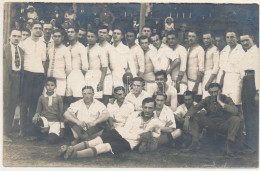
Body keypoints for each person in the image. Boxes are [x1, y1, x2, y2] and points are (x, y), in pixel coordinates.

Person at [57, 97, 161, 160]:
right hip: (119, 132)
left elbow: (157, 134)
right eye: (145, 107)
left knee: (104, 147)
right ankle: (70, 149)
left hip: (129, 143)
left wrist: (151, 134)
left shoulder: (155, 122)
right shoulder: (134, 115)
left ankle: (75, 155)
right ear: (142, 107)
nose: (147, 110)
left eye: (150, 108)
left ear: (154, 108)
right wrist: (139, 136)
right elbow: (126, 129)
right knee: (96, 141)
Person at [183, 83, 241, 156]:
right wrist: (187, 118)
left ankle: (228, 145)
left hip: (224, 124)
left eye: (216, 92)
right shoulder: (207, 99)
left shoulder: (226, 98)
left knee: (236, 119)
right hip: (211, 124)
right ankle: (195, 142)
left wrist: (220, 102)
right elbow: (195, 108)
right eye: (211, 92)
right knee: (195, 116)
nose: (214, 94)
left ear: (221, 91)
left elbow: (235, 110)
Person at [19, 20, 47, 138]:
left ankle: (31, 130)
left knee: (35, 103)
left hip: (39, 75)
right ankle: (22, 129)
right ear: (31, 29)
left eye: (40, 28)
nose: (38, 30)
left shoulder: (43, 44)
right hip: (27, 74)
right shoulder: (23, 43)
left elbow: (43, 61)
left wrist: (41, 74)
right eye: (36, 28)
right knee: (25, 102)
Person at [3, 29, 24, 142]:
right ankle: (3, 133)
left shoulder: (21, 50)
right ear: (10, 37)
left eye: (18, 36)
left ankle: (7, 131)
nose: (16, 38)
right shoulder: (4, 49)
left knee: (12, 105)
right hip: (6, 79)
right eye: (14, 36)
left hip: (17, 79)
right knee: (5, 105)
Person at [240, 32, 259, 147]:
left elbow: (258, 72)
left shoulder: (257, 52)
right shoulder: (246, 53)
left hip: (253, 82)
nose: (245, 43)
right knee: (246, 110)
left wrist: (258, 91)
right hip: (246, 81)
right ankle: (249, 139)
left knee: (253, 112)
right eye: (242, 41)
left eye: (247, 40)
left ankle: (254, 141)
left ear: (252, 38)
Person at [31, 77, 64, 144]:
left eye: (52, 85)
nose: (50, 87)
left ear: (55, 86)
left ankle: (48, 134)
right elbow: (38, 111)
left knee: (52, 140)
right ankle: (43, 132)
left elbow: (61, 113)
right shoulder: (42, 97)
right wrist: (35, 115)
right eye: (48, 85)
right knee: (37, 120)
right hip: (44, 120)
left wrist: (62, 126)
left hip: (55, 121)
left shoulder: (58, 98)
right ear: (45, 86)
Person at [217, 30, 245, 108]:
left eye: (232, 37)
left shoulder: (241, 51)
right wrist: (220, 83)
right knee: (226, 102)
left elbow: (243, 70)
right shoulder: (224, 50)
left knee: (236, 102)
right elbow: (223, 69)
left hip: (237, 80)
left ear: (237, 38)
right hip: (226, 80)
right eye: (227, 37)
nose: (230, 39)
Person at [65, 26, 88, 105]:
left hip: (77, 75)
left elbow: (85, 66)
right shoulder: (67, 48)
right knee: (69, 100)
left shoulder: (81, 47)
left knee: (78, 101)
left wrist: (79, 75)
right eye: (68, 32)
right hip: (68, 76)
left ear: (77, 34)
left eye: (72, 32)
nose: (70, 34)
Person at [47, 28, 72, 97]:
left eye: (59, 36)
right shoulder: (50, 49)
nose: (57, 38)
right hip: (49, 80)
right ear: (52, 37)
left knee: (58, 100)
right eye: (55, 36)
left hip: (60, 80)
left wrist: (62, 76)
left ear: (62, 38)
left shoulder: (65, 50)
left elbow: (68, 67)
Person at [84, 29, 107, 99]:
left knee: (96, 97)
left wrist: (101, 82)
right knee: (86, 97)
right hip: (87, 75)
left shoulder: (100, 49)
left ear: (96, 38)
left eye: (92, 36)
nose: (90, 38)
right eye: (88, 36)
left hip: (97, 75)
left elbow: (104, 67)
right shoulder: (84, 49)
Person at [166, 30, 188, 103]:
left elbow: (183, 67)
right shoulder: (168, 49)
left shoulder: (182, 49)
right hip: (172, 81)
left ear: (177, 39)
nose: (171, 41)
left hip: (181, 81)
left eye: (173, 38)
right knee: (172, 102)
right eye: (169, 39)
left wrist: (178, 82)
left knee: (180, 101)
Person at [98, 25, 117, 105]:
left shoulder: (110, 48)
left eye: (104, 33)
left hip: (107, 76)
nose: (102, 34)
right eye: (100, 32)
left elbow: (113, 66)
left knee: (105, 101)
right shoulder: (95, 46)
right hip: (96, 76)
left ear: (107, 35)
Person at [186, 30, 205, 102]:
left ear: (197, 38)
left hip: (196, 83)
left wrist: (196, 86)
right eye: (189, 36)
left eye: (193, 36)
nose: (190, 38)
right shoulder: (189, 49)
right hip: (189, 81)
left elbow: (201, 69)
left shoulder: (200, 50)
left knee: (196, 104)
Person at [202, 32, 220, 99]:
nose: (206, 40)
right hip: (205, 75)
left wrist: (209, 82)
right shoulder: (206, 49)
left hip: (211, 77)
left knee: (208, 97)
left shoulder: (215, 49)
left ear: (212, 39)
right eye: (204, 38)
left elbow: (216, 67)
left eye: (208, 38)